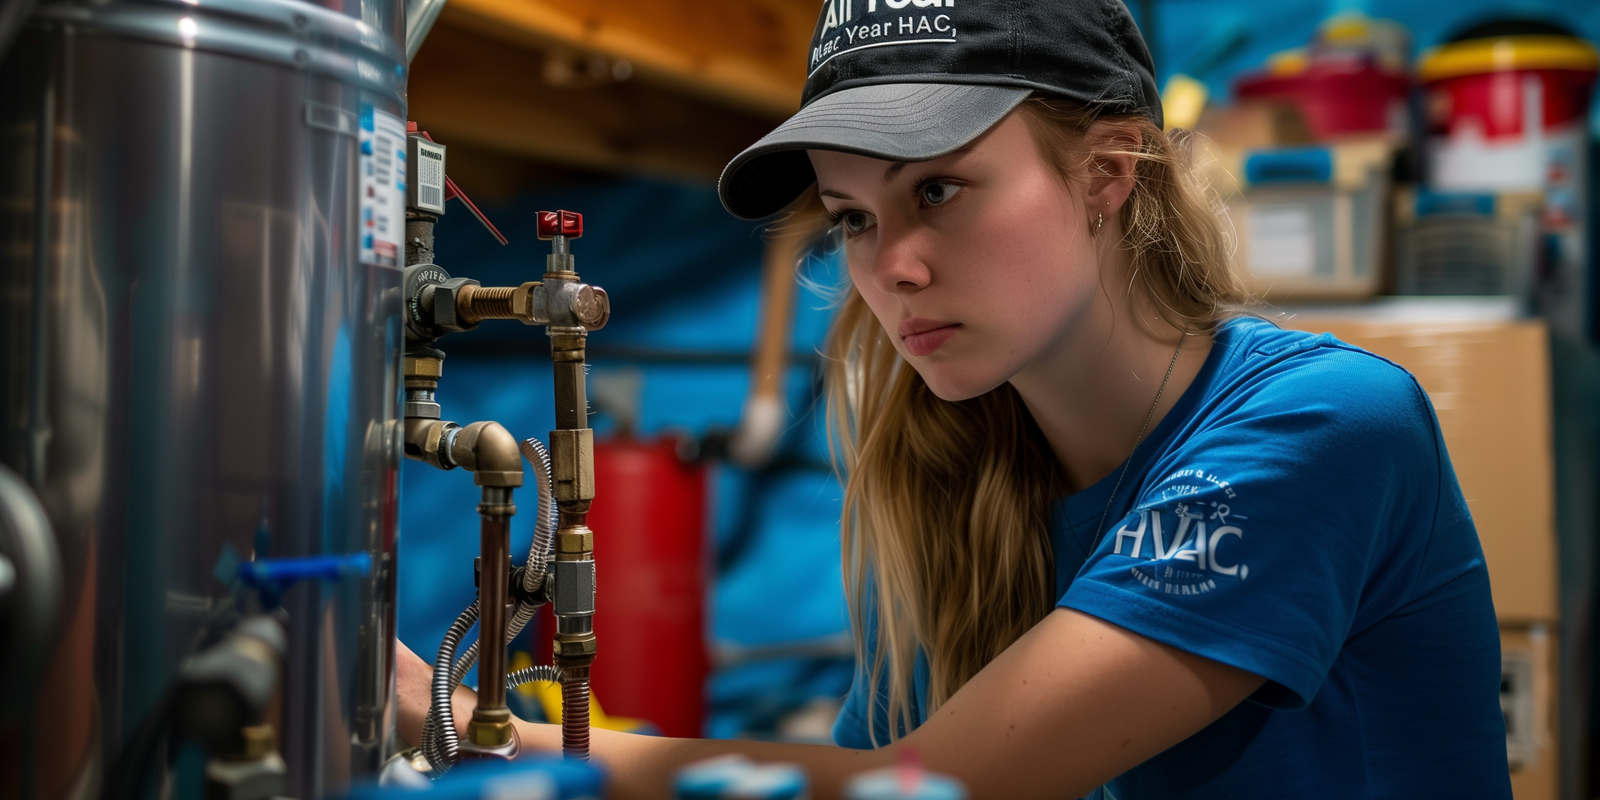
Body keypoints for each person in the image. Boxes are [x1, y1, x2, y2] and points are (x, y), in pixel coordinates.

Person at [397, 0, 1512, 796]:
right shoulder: (954, 463)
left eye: (939, 188)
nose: (892, 267)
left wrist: (456, 731)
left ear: (1106, 172)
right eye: (853, 215)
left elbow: (928, 786)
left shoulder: (1317, 421)